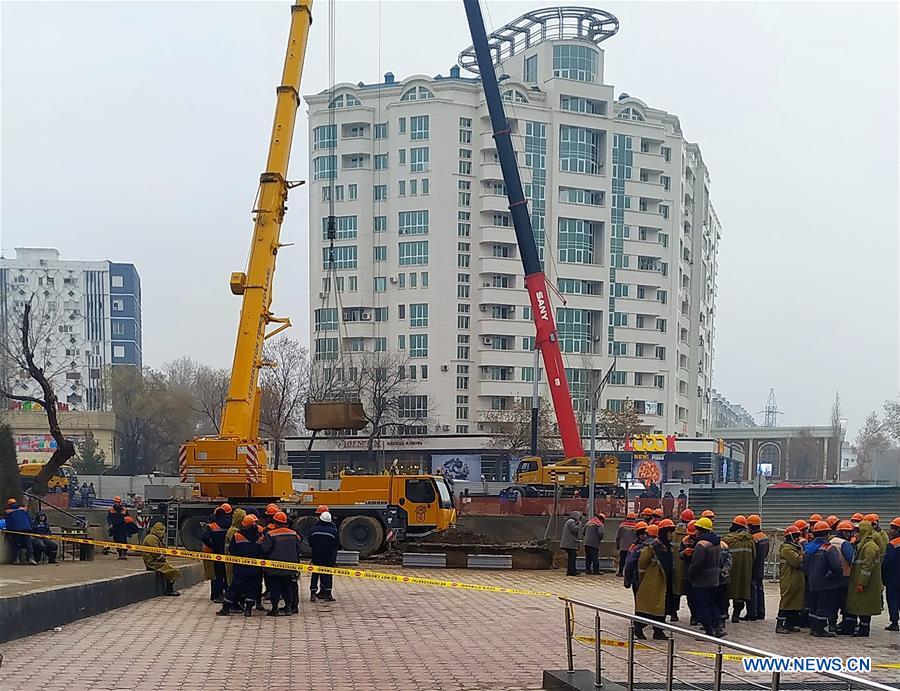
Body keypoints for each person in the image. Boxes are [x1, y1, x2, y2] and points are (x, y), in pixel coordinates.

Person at [841, 519, 884, 637]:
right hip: (860, 581)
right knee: (861, 605)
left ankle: (864, 629)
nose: (855, 535)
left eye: (857, 532)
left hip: (867, 584)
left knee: (865, 607)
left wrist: (862, 582)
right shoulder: (862, 545)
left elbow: (867, 567)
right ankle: (861, 628)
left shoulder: (869, 547)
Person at [634, 520, 675, 640]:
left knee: (661, 608)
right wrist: (641, 579)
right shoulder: (653, 546)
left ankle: (658, 631)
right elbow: (642, 563)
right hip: (652, 582)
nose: (671, 535)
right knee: (647, 608)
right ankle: (638, 628)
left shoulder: (667, 547)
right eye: (669, 532)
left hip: (664, 582)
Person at [803, 520, 843, 637]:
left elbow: (804, 565)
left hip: (812, 581)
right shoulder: (829, 548)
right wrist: (838, 577)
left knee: (813, 605)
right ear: (827, 534)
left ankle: (813, 628)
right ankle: (820, 630)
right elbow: (836, 566)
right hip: (827, 583)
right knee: (824, 606)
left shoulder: (809, 548)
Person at [218, 514, 263, 616]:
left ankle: (225, 609)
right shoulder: (259, 538)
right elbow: (262, 551)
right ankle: (248, 610)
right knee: (251, 588)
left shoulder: (237, 536)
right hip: (255, 569)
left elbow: (231, 550)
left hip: (240, 568)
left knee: (234, 588)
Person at [687, 517, 724, 637]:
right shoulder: (717, 542)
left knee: (702, 605)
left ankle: (709, 630)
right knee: (711, 603)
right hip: (714, 580)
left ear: (701, 529)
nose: (695, 531)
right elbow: (721, 561)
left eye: (697, 529)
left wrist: (690, 575)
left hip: (702, 580)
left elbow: (696, 564)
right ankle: (717, 626)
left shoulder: (701, 545)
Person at [260, 511, 302, 616]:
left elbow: (265, 549)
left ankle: (275, 609)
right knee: (287, 587)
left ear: (275, 522)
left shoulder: (271, 534)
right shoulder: (294, 534)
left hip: (274, 567)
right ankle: (288, 608)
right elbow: (298, 548)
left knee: (275, 587)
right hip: (290, 567)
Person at [721, 515, 755, 623]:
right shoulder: (750, 540)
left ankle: (724, 613)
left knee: (726, 592)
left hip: (730, 572)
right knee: (741, 594)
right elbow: (754, 556)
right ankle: (736, 615)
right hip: (745, 573)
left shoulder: (727, 539)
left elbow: (722, 555)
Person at [775, 526, 805, 634]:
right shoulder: (787, 549)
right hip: (789, 579)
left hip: (796, 579)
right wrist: (804, 553)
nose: (798, 538)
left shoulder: (795, 548)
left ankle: (790, 624)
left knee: (795, 602)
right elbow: (797, 561)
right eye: (796, 536)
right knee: (786, 601)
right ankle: (780, 625)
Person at [201, 503, 233, 602]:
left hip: (216, 554)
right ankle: (228, 594)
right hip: (227, 553)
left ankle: (216, 595)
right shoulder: (230, 524)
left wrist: (212, 546)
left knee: (217, 575)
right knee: (227, 575)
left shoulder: (212, 526)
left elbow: (205, 538)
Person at [830, 520, 856, 633]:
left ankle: (832, 624)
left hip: (832, 578)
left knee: (833, 603)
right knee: (846, 603)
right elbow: (852, 560)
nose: (850, 535)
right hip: (845, 577)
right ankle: (848, 626)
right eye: (849, 532)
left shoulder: (831, 542)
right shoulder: (845, 544)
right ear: (844, 532)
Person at [142, 522, 180, 596]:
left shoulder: (155, 538)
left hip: (155, 562)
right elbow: (156, 553)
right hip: (152, 563)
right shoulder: (151, 538)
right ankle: (169, 590)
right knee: (171, 571)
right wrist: (163, 559)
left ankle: (170, 589)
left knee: (171, 570)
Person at [309, 510, 339, 602]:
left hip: (316, 556)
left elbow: (310, 543)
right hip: (329, 558)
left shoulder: (313, 530)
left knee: (315, 574)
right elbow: (337, 545)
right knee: (328, 575)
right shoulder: (333, 531)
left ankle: (313, 594)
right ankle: (328, 595)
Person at [671, 509, 693, 621]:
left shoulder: (673, 534)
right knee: (692, 594)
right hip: (690, 568)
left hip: (676, 568)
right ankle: (694, 617)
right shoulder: (692, 534)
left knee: (676, 592)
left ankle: (674, 614)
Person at [746, 515, 769, 621]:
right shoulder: (764, 536)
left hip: (753, 566)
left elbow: (752, 554)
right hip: (760, 566)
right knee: (760, 589)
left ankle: (752, 613)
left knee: (752, 590)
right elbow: (766, 553)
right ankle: (761, 612)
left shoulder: (753, 538)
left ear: (750, 526)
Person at [4, 498, 37, 565]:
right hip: (26, 529)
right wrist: (31, 529)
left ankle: (16, 559)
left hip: (15, 530)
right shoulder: (23, 510)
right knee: (28, 544)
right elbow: (29, 520)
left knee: (15, 544)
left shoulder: (7, 511)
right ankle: (31, 558)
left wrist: (9, 531)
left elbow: (8, 522)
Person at [623, 521, 649, 598]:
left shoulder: (634, 547)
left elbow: (629, 564)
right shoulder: (654, 545)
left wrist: (627, 580)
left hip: (637, 578)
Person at [883, 517, 900, 632]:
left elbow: (887, 561)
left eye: (893, 528)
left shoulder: (893, 544)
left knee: (893, 599)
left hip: (893, 577)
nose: (891, 531)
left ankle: (894, 622)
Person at [560, 511, 583, 576]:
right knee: (572, 557)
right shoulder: (571, 522)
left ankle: (571, 570)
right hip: (570, 543)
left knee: (572, 557)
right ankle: (571, 571)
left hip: (569, 543)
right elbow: (574, 530)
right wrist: (579, 525)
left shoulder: (570, 521)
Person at [616, 512, 638, 577]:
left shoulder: (621, 526)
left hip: (623, 546)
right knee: (632, 561)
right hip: (633, 547)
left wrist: (618, 545)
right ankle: (631, 574)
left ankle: (620, 572)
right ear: (634, 518)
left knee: (622, 560)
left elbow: (618, 537)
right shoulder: (636, 526)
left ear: (626, 518)